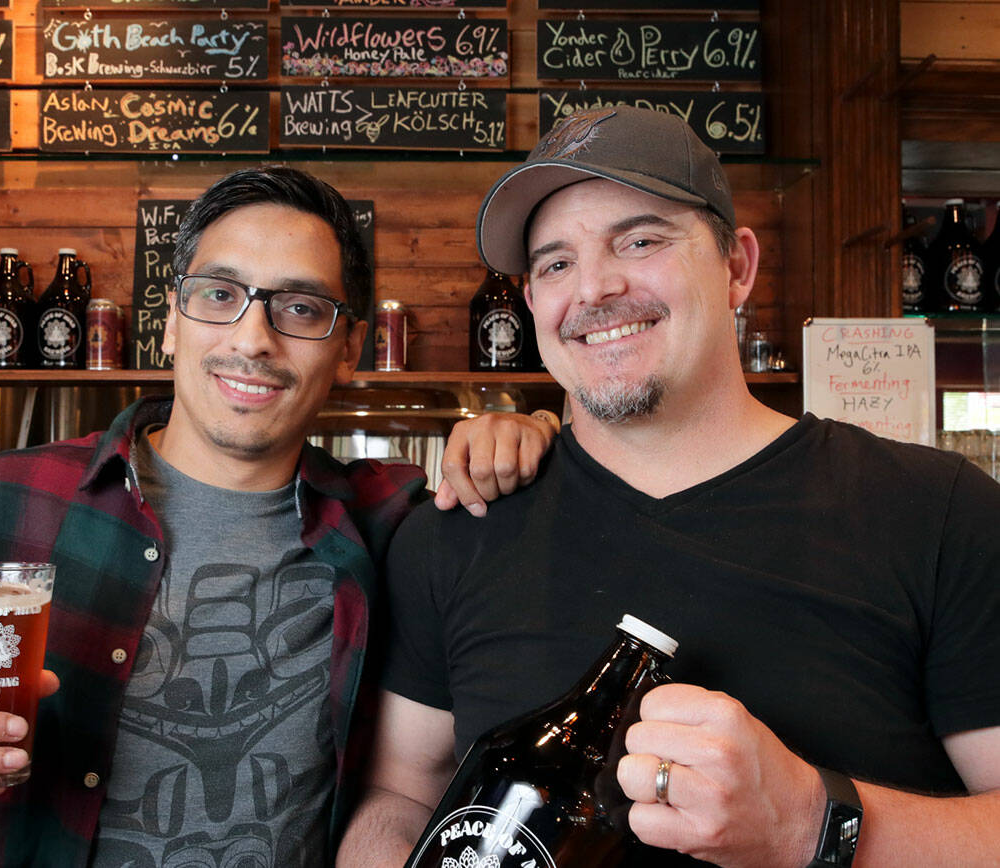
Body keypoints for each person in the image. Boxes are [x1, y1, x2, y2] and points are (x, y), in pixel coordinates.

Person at [340, 106, 1000, 868]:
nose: (594, 287)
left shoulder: (940, 515)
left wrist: (811, 823)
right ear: (532, 307)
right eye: (554, 263)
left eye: (641, 239)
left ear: (737, 266)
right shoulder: (455, 528)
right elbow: (401, 797)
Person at [0, 166, 558, 868]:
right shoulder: (9, 499)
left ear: (350, 349)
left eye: (302, 308)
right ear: (170, 322)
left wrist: (529, 435)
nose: (252, 339)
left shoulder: (393, 523)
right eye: (219, 295)